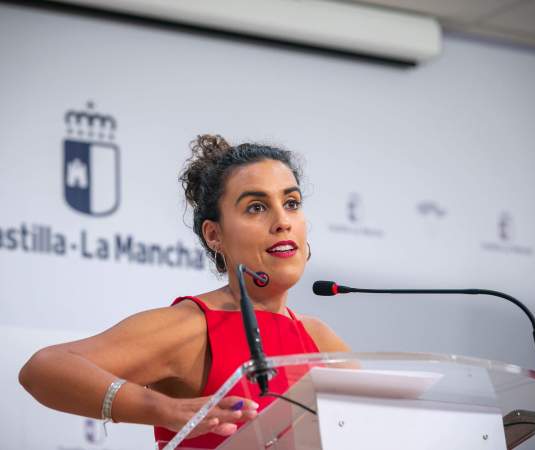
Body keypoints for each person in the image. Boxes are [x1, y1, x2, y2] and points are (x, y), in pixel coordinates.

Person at [19, 134, 350, 448]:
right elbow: (44, 368)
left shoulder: (320, 339)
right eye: (256, 207)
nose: (283, 221)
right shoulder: (197, 327)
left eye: (291, 203)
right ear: (214, 235)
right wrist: (164, 409)